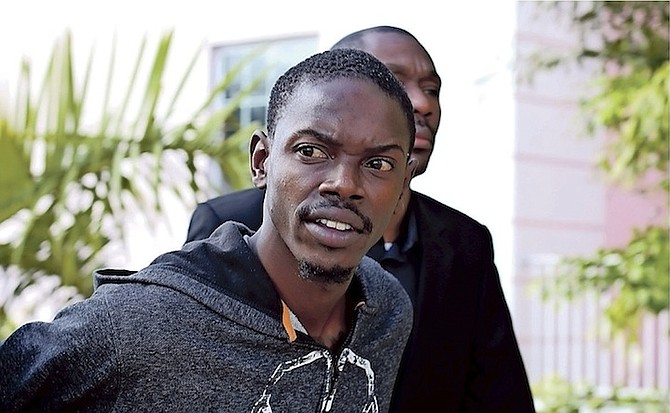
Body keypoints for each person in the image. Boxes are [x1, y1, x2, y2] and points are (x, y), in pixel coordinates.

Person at [0, 49, 417, 413]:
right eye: (310, 151)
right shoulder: (142, 325)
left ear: (403, 187)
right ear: (261, 162)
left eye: (378, 164)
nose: (344, 183)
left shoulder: (386, 312)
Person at [185, 26, 536, 412]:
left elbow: (500, 394)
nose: (422, 103)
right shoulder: (228, 223)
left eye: (432, 89)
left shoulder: (464, 243)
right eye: (393, 81)